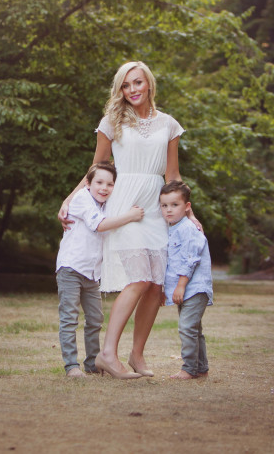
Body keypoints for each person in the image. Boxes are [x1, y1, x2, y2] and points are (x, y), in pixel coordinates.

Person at [58, 61, 186, 379]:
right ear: (120, 90)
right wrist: (72, 198)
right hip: (125, 204)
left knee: (156, 286)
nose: (132, 90)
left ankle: (137, 355)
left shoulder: (169, 125)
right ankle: (107, 354)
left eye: (138, 83)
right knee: (138, 279)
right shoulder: (112, 121)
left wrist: (188, 212)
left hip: (156, 205)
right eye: (126, 86)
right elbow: (97, 167)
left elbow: (172, 174)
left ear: (149, 84)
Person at [56, 162, 145, 378]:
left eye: (110, 184)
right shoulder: (81, 199)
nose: (104, 188)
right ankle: (71, 366)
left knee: (95, 319)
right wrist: (131, 216)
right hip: (71, 267)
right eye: (99, 182)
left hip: (92, 273)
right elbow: (99, 225)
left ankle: (92, 363)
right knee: (69, 317)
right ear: (87, 183)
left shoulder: (106, 204)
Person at [160, 180, 213, 379]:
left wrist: (180, 286)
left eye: (175, 205)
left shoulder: (188, 228)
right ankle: (201, 368)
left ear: (187, 206)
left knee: (187, 327)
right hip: (185, 288)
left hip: (194, 287)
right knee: (194, 329)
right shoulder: (172, 228)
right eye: (164, 205)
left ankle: (189, 368)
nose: (169, 210)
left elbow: (191, 259)